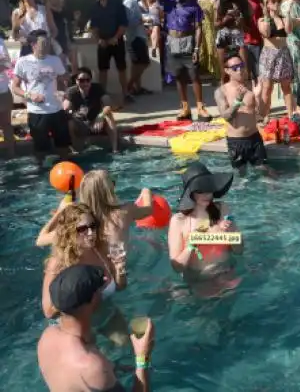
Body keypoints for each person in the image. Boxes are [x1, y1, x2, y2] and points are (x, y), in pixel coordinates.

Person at [38, 264, 155, 392]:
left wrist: (112, 368)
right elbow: (90, 371)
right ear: (93, 299)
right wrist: (142, 358)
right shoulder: (92, 367)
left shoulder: (47, 337)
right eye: (99, 287)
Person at [40, 203, 129, 345]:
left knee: (127, 347)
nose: (90, 233)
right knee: (96, 365)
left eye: (92, 226)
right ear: (69, 231)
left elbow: (120, 287)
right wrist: (83, 292)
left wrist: (120, 270)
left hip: (106, 313)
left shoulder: (101, 249)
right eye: (82, 229)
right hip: (76, 328)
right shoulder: (59, 263)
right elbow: (49, 311)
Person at [148, 0, 211, 122]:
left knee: (194, 76)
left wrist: (196, 48)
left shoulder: (193, 5)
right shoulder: (169, 1)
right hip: (172, 42)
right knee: (178, 76)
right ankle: (185, 107)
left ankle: (200, 107)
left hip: (188, 42)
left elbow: (198, 28)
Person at [168, 163, 241, 286]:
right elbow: (177, 267)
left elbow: (239, 250)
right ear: (190, 193)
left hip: (226, 274)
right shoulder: (179, 221)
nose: (207, 194)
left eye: (209, 189)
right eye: (201, 191)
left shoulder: (222, 209)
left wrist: (231, 231)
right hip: (198, 281)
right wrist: (190, 246)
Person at [11, 31, 71, 168]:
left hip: (56, 109)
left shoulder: (54, 60)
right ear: (33, 44)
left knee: (63, 144)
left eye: (47, 42)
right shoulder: (23, 62)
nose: (46, 45)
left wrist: (64, 88)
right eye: (42, 43)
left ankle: (66, 168)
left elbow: (63, 79)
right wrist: (29, 95)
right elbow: (15, 87)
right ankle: (41, 171)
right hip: (37, 111)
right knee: (40, 148)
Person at [215, 52, 269, 175]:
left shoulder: (252, 87)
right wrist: (238, 101)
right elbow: (226, 117)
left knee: (267, 173)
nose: (240, 70)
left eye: (241, 65)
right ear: (227, 71)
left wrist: (258, 96)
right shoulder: (221, 91)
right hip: (236, 142)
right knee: (240, 177)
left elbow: (261, 114)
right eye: (235, 68)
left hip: (255, 138)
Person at [89, 0, 131, 102]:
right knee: (102, 69)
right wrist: (98, 39)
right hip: (102, 42)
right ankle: (103, 96)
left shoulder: (117, 3)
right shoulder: (95, 6)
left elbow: (123, 24)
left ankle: (125, 93)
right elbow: (94, 26)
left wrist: (115, 37)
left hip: (117, 41)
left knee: (122, 68)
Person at [63, 68, 119, 153]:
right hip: (80, 123)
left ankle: (115, 149)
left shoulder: (97, 88)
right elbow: (66, 107)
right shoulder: (71, 91)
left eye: (87, 80)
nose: (85, 83)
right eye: (81, 80)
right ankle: (76, 150)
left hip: (96, 123)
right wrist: (67, 108)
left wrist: (100, 116)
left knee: (108, 115)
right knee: (68, 121)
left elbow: (108, 105)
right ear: (76, 81)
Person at [258, 0, 294, 118]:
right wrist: (268, 16)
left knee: (286, 87)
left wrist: (288, 13)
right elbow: (266, 33)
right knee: (267, 88)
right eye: (273, 1)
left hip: (283, 53)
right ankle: (265, 115)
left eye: (278, 1)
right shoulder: (262, 20)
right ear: (267, 4)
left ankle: (291, 116)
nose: (276, 3)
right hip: (269, 55)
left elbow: (289, 30)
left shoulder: (283, 18)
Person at [122, 0, 152, 96]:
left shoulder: (134, 2)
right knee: (144, 63)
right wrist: (143, 21)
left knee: (136, 64)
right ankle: (129, 86)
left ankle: (137, 88)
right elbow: (129, 21)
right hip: (135, 37)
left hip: (137, 36)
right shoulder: (130, 2)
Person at [0, 32, 15, 157]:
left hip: (2, 90)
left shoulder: (0, 42)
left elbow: (7, 63)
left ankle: (11, 156)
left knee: (6, 124)